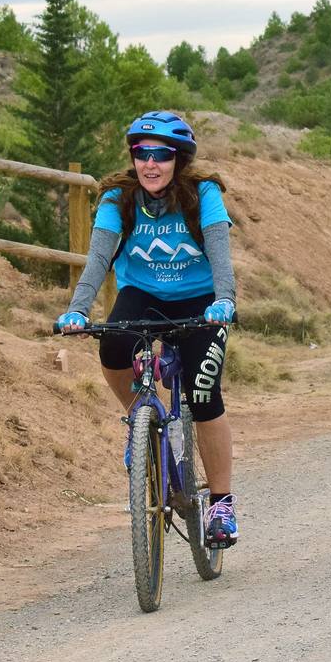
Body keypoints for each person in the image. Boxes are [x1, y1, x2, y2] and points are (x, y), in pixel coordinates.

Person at [55, 111, 240, 547]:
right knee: (112, 348)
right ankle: (143, 418)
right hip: (144, 296)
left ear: (179, 159)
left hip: (200, 302)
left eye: (161, 155)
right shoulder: (118, 199)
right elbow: (98, 259)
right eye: (141, 153)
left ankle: (221, 504)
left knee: (203, 393)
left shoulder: (202, 193)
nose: (150, 164)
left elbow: (220, 254)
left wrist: (225, 301)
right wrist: (78, 309)